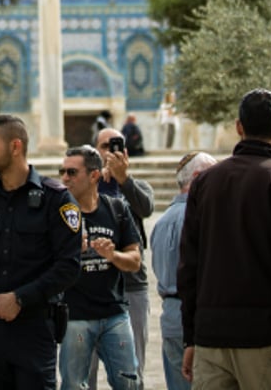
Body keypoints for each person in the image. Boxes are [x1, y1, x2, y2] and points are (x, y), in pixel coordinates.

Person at [178, 88, 271, 389]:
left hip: (211, 342)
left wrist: (190, 337)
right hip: (266, 342)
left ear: (239, 127)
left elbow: (188, 267)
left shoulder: (205, 183)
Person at [0, 114, 81, 390]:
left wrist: (20, 299)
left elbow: (69, 267)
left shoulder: (55, 200)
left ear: (15, 147)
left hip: (33, 330)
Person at [58, 145, 142, 390]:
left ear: (94, 175)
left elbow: (135, 261)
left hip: (114, 313)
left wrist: (112, 254)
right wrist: (73, 251)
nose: (64, 178)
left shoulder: (116, 209)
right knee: (74, 385)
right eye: (62, 171)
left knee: (129, 382)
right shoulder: (59, 213)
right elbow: (45, 263)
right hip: (75, 316)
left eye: (72, 172)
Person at [149, 150, 216, 390]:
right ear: (197, 177)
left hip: (171, 317)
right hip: (194, 319)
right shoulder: (200, 217)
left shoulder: (162, 221)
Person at [95, 127, 154, 384]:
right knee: (82, 370)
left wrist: (123, 180)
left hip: (131, 286)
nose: (110, 151)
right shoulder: (86, 187)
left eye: (115, 145)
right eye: (104, 146)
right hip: (91, 288)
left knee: (131, 370)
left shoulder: (137, 186)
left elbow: (145, 208)